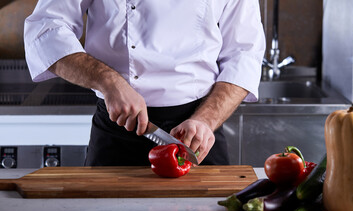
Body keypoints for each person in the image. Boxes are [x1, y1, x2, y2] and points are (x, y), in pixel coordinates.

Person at [24, 0, 265, 166]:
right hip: (117, 130)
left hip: (197, 135)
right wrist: (108, 81)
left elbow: (244, 52)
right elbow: (45, 29)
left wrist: (207, 119)